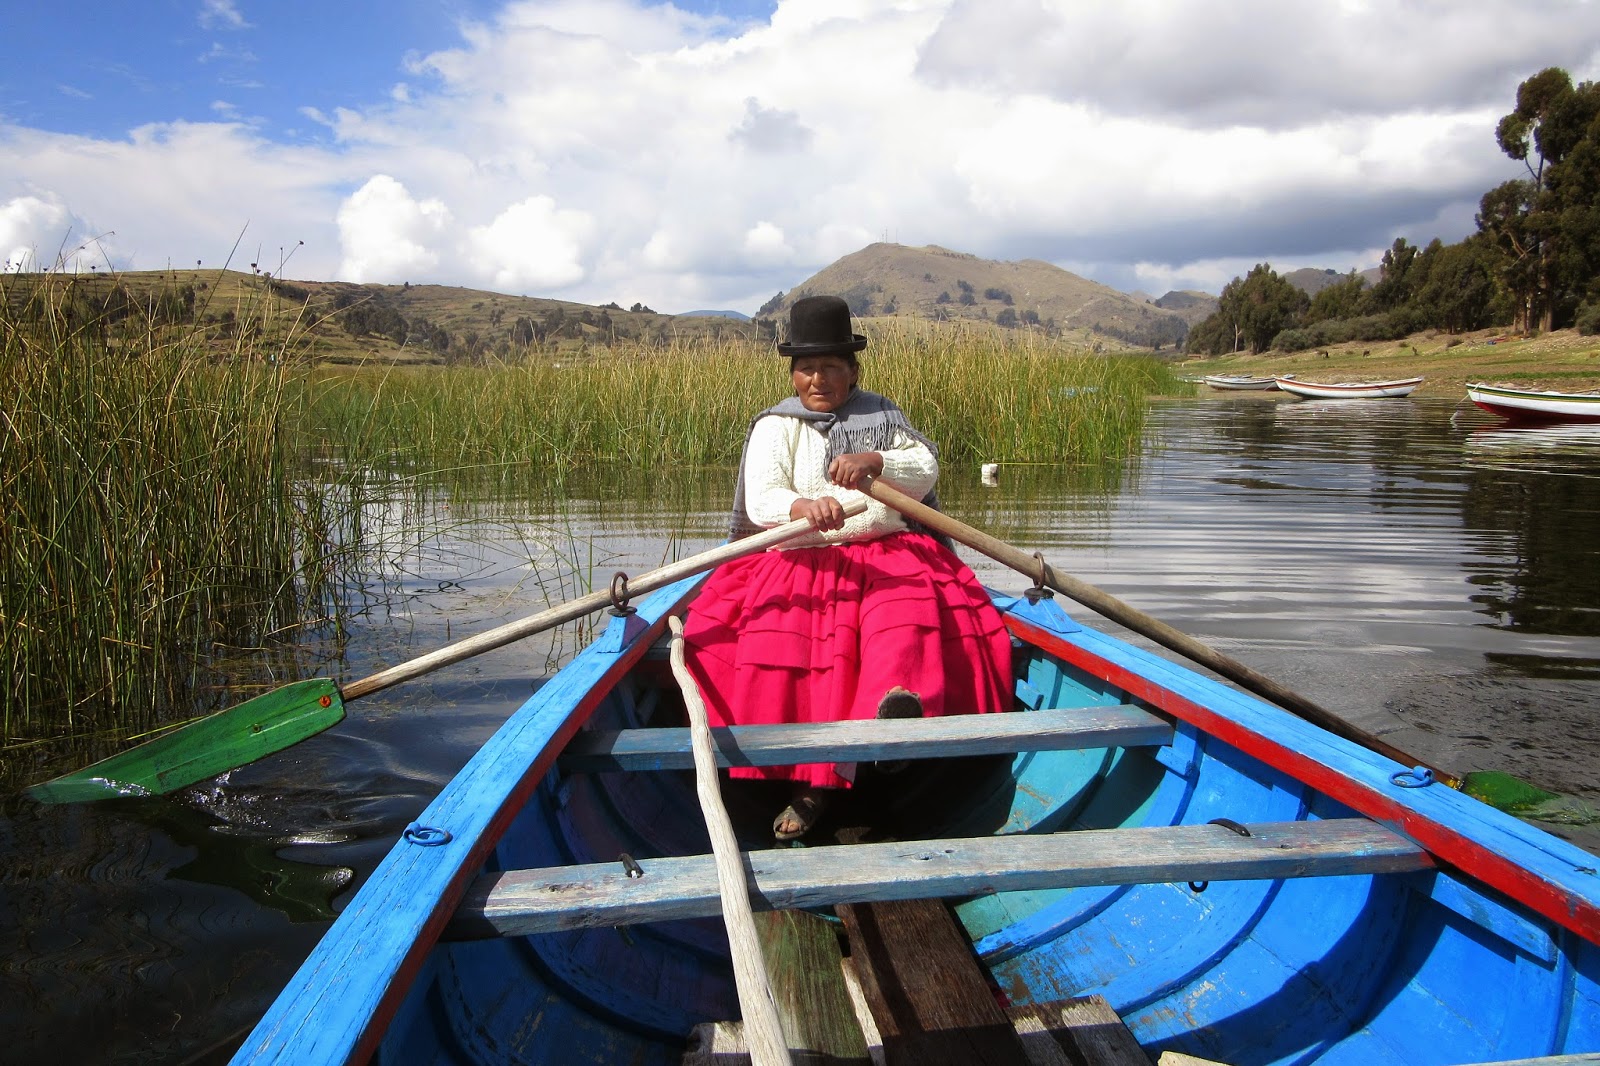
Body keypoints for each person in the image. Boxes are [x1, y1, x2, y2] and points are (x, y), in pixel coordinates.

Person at [682, 295, 1015, 841]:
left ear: (853, 371)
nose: (818, 378)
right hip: (800, 557)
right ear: (793, 374)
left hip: (886, 552)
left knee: (904, 618)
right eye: (807, 368)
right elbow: (764, 498)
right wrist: (803, 507)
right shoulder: (775, 426)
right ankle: (813, 781)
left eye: (831, 367)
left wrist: (876, 460)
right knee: (787, 645)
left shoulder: (883, 417)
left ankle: (892, 728)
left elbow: (924, 468)